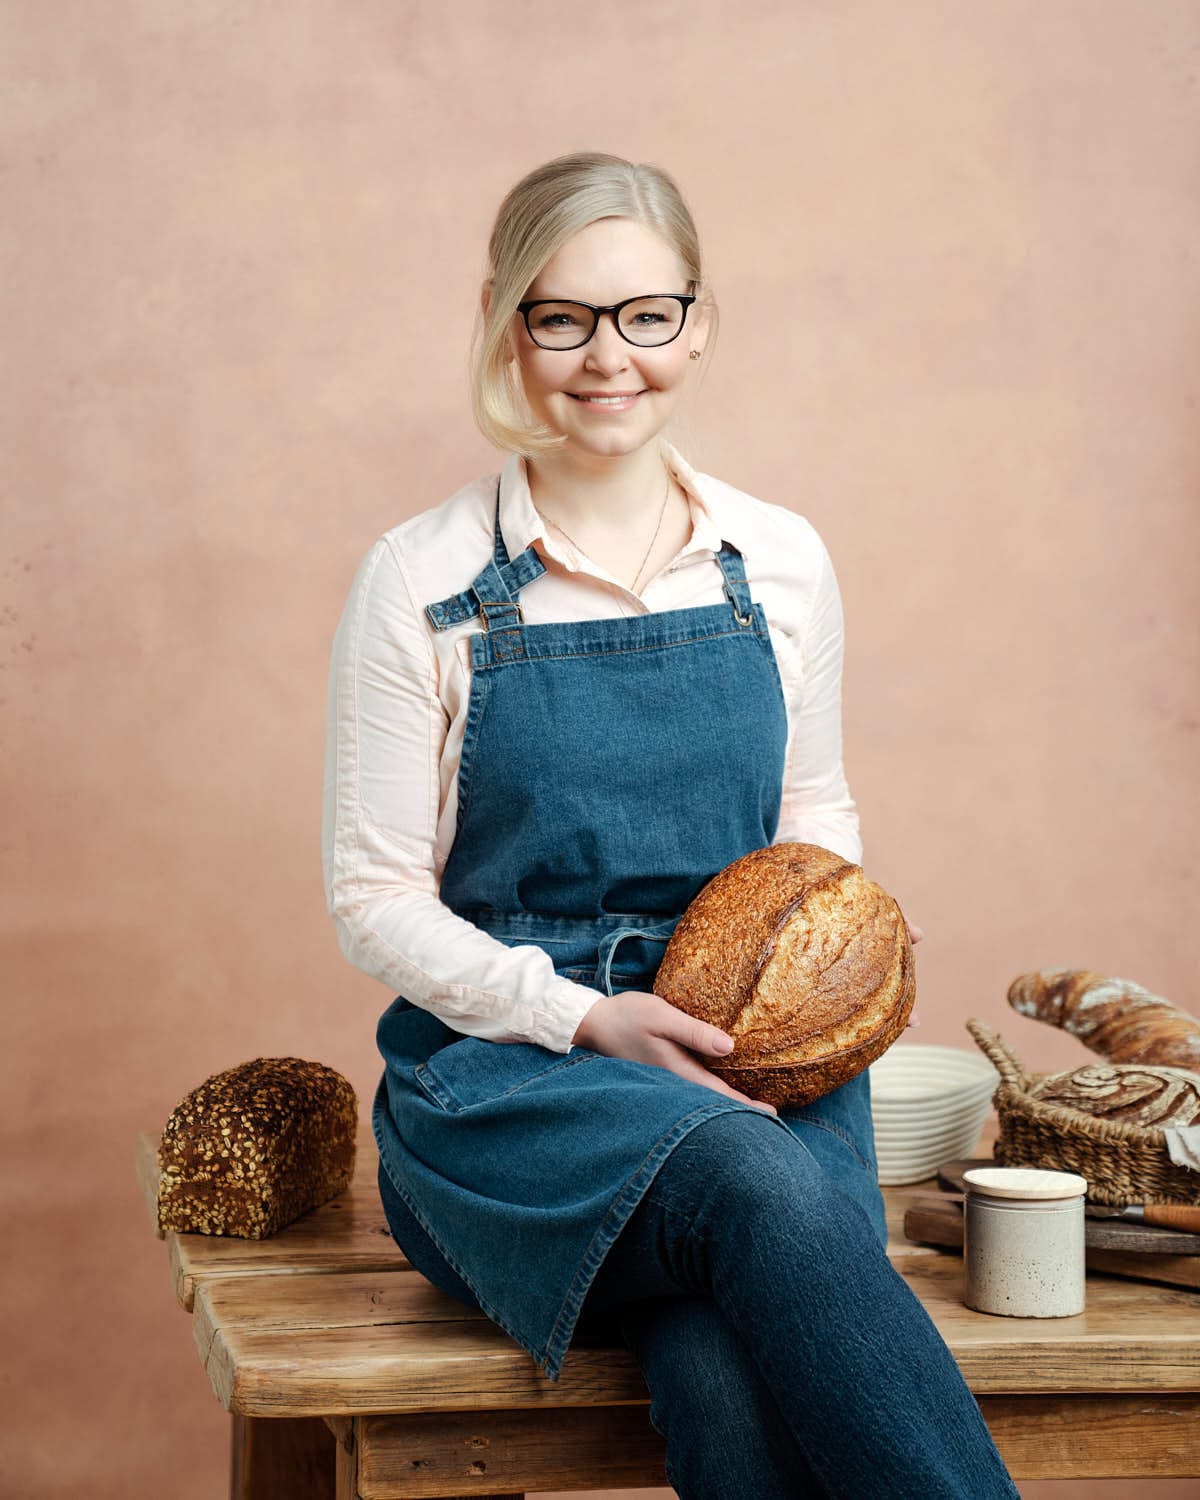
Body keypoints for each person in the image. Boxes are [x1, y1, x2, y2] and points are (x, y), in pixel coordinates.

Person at [323, 150, 1018, 1499]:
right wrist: (592, 1020)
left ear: (699, 322)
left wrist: (839, 929)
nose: (607, 359)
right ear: (505, 320)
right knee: (762, 1195)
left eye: (647, 314)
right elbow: (372, 899)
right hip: (514, 1088)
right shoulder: (423, 580)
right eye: (562, 317)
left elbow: (811, 808)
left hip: (750, 1046)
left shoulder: (785, 560)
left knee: (722, 1375)